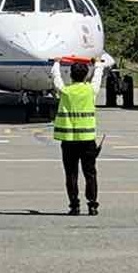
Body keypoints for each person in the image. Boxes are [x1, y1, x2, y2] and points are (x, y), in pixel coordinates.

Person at [51, 58, 105, 215]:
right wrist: (98, 64)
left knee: (71, 174)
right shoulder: (90, 90)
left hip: (69, 140)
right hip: (87, 140)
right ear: (86, 75)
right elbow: (98, 77)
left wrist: (56, 63)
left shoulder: (65, 91)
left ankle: (74, 205)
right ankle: (93, 205)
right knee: (90, 173)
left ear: (71, 76)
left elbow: (56, 79)